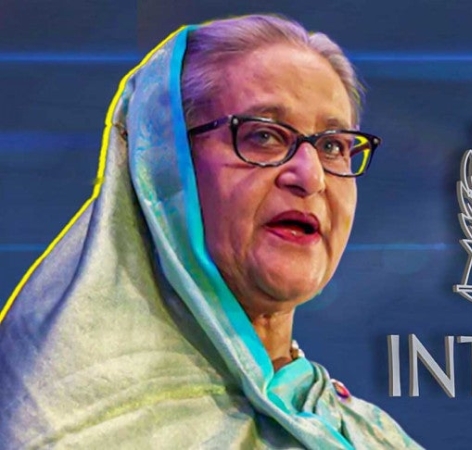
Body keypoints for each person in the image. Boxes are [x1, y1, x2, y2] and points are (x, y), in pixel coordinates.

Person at [0, 14, 421, 449]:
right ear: (164, 165)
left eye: (333, 146)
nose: (310, 176)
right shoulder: (62, 420)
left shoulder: (374, 437)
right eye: (264, 136)